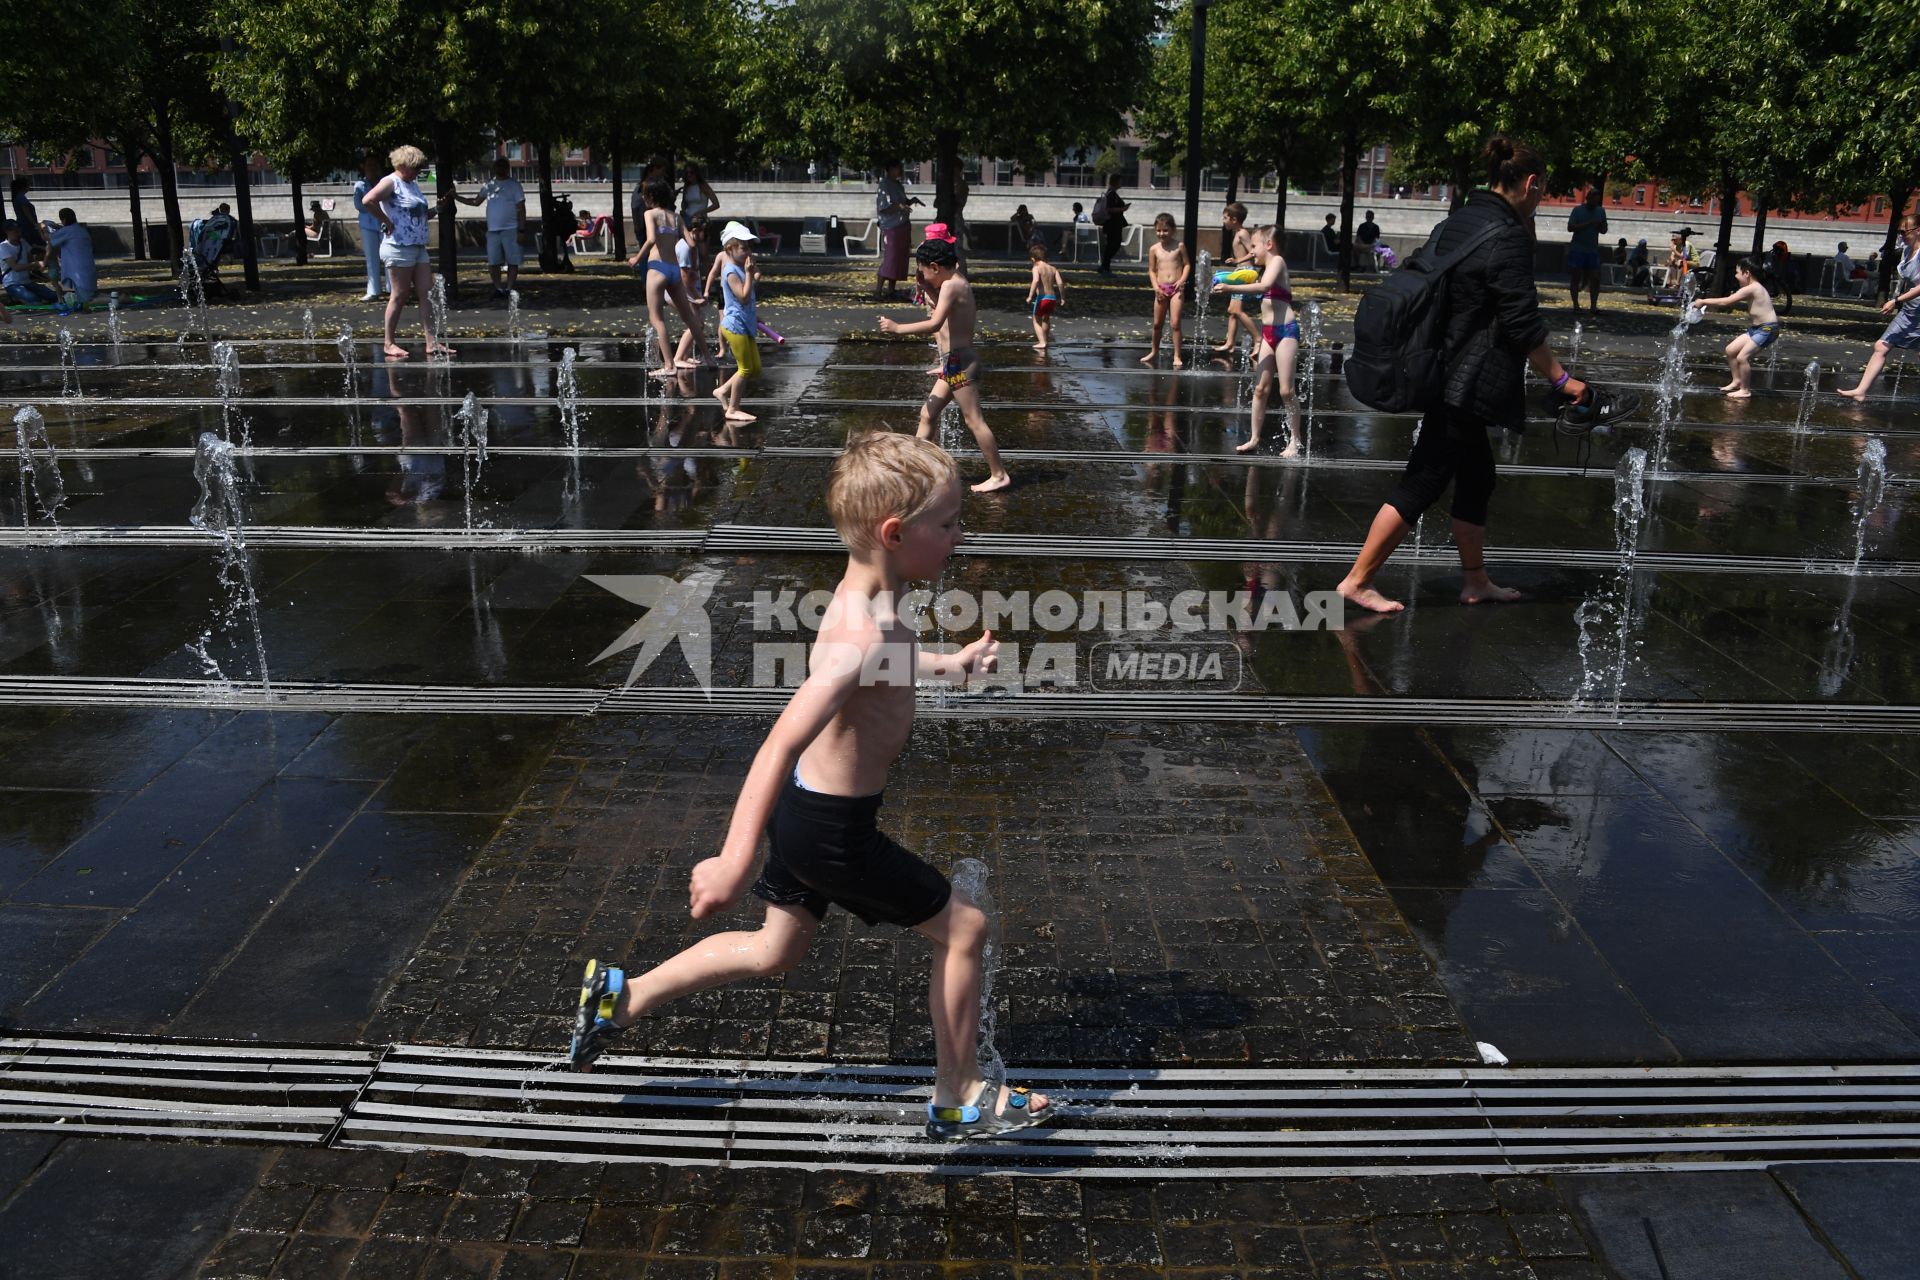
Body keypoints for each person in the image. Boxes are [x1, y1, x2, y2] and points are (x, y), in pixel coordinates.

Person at [566, 430, 1053, 1142]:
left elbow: (896, 663)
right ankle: (962, 1093)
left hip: (809, 811)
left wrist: (955, 667)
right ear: (895, 532)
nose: (960, 533)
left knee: (774, 950)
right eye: (948, 524)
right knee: (964, 930)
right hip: (831, 829)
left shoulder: (875, 603)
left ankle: (622, 996)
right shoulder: (862, 633)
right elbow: (779, 741)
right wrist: (732, 860)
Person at [1335, 135, 1623, 614]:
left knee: (1478, 476)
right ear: (1530, 183)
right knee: (1425, 479)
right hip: (1464, 380)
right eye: (1543, 190)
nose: (1542, 199)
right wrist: (1561, 380)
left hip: (1441, 366)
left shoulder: (1459, 220)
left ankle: (1475, 580)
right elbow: (1522, 320)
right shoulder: (1506, 234)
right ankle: (1357, 580)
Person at [878, 230, 1013, 493]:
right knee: (927, 413)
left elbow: (935, 323)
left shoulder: (951, 285)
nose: (923, 275)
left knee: (974, 419)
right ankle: (917, 468)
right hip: (953, 364)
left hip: (960, 365)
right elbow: (946, 319)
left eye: (923, 271)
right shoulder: (955, 280)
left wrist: (897, 328)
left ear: (935, 267)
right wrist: (926, 285)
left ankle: (999, 474)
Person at [1211, 225, 1300, 455]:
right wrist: (1237, 265)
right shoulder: (1266, 265)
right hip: (1269, 334)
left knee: (1286, 391)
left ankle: (1295, 441)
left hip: (1286, 332)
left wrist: (1230, 287)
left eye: (1254, 246)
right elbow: (1253, 269)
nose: (1252, 252)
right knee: (1260, 389)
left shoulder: (1277, 262)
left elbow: (1264, 286)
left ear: (1269, 245)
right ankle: (1254, 438)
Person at [362, 144, 454, 360]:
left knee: (428, 294)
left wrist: (437, 209)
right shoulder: (390, 181)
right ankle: (389, 343)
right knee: (400, 294)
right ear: (402, 164)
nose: (417, 173)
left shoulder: (411, 185)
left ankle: (432, 342)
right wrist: (385, 221)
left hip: (417, 247)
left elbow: (416, 217)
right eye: (414, 168)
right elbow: (368, 201)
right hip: (398, 247)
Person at [629, 176, 712, 378]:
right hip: (674, 269)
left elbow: (650, 240)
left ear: (650, 196)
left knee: (656, 319)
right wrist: (692, 268)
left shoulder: (650, 214)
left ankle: (669, 365)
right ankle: (710, 358)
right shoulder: (676, 217)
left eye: (644, 194)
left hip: (657, 268)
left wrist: (637, 259)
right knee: (689, 318)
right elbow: (692, 244)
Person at [1839, 211, 1920, 401]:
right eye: (1899, 232)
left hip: (1915, 309)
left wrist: (1896, 300)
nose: (1901, 236)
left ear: (1918, 231)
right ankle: (1861, 391)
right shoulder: (1908, 252)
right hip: (1910, 310)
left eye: (1904, 232)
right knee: (1881, 346)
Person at [1696, 257, 1780, 400]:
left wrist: (1703, 301)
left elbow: (1726, 302)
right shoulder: (1753, 287)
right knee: (1731, 350)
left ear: (1746, 273)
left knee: (1742, 357)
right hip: (1757, 328)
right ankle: (1737, 381)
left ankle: (1745, 390)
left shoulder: (1753, 288)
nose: (1735, 276)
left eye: (1737, 273)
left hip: (1767, 329)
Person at [452, 158, 526, 298]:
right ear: (494, 168)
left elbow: (521, 208)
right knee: (493, 262)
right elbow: (475, 202)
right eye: (498, 166)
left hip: (511, 229)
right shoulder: (489, 185)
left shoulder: (514, 185)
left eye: (504, 166)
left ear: (508, 168)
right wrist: (456, 197)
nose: (501, 168)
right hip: (493, 230)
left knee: (512, 261)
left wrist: (521, 230)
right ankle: (498, 288)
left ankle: (509, 288)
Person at [711, 221, 762, 423]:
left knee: (755, 368)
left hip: (745, 322)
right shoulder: (731, 271)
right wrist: (750, 274)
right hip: (734, 325)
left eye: (749, 247)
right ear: (729, 249)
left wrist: (752, 272)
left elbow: (751, 288)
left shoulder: (741, 268)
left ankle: (723, 390)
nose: (748, 252)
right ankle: (732, 408)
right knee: (746, 369)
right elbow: (742, 296)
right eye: (743, 248)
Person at [1140, 212, 1191, 368]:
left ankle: (1177, 355)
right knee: (1157, 324)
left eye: (1165, 230)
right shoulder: (1154, 249)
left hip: (1176, 288)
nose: (1161, 234)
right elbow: (1152, 270)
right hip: (1161, 288)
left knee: (1175, 323)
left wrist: (1182, 281)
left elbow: (1187, 264)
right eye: (1159, 231)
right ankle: (1154, 351)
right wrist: (1155, 287)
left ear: (1173, 230)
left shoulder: (1179, 246)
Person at [1213, 201, 1257, 355]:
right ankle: (1230, 343)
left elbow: (1254, 252)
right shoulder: (1238, 233)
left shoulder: (1242, 233)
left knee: (1235, 310)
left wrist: (1238, 260)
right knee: (1232, 312)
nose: (1223, 220)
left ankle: (1258, 339)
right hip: (1241, 272)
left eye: (1225, 217)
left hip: (1245, 273)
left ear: (1234, 219)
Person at [875, 161, 920, 298]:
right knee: (891, 257)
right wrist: (900, 206)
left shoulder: (898, 185)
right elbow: (885, 206)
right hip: (891, 226)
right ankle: (878, 290)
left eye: (900, 168)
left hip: (903, 224)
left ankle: (891, 290)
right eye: (896, 168)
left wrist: (910, 201)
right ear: (889, 169)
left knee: (899, 258)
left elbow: (902, 202)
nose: (899, 170)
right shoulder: (884, 184)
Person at [1566, 187, 1607, 313]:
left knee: (1595, 278)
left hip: (1592, 250)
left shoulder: (1601, 211)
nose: (1595, 202)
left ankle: (1593, 306)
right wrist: (1589, 223)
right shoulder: (1577, 210)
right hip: (1577, 248)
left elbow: (1604, 230)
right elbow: (1570, 227)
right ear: (1587, 198)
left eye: (1597, 200)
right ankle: (1576, 305)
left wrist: (1601, 224)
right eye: (1593, 199)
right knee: (1576, 277)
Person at [352, 156, 388, 301]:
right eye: (369, 165)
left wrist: (373, 204)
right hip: (368, 225)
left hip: (385, 224)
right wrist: (375, 206)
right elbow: (360, 205)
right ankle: (373, 290)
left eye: (375, 165)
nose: (372, 168)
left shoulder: (384, 183)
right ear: (364, 167)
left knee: (388, 257)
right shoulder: (360, 185)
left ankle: (392, 288)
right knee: (372, 258)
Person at [45, 209, 96, 306]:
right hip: (87, 267)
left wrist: (42, 228)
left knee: (87, 300)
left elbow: (50, 239)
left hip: (78, 270)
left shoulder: (67, 231)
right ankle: (114, 298)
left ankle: (117, 298)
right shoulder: (81, 229)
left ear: (63, 219)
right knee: (89, 294)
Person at [1, 221, 56, 304]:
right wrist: (35, 264)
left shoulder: (23, 242)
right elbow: (16, 267)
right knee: (33, 299)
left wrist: (43, 261)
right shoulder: (3, 247)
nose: (19, 233)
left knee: (53, 296)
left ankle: (21, 297)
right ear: (7, 232)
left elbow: (31, 260)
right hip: (12, 283)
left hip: (27, 281)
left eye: (19, 231)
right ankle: (15, 297)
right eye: (15, 231)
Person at [681, 163, 720, 278]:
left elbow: (716, 204)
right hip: (687, 220)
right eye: (687, 173)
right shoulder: (686, 187)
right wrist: (683, 210)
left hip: (700, 221)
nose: (689, 176)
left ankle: (707, 280)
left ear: (697, 173)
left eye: (691, 173)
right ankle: (692, 280)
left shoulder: (703, 186)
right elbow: (684, 202)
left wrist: (702, 211)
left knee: (703, 253)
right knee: (688, 251)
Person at [1025, 239, 1063, 351]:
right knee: (1046, 318)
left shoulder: (1036, 268)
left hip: (1042, 298)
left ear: (1033, 259)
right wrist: (1063, 297)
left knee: (1036, 320)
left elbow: (1036, 281)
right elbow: (1060, 283)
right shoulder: (1053, 269)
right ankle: (1045, 340)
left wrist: (1030, 296)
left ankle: (1042, 342)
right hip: (1052, 298)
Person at [10, 178, 46, 273]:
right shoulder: (21, 198)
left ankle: (34, 270)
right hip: (28, 227)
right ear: (23, 187)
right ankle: (36, 269)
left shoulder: (17, 197)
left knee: (30, 248)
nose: (29, 187)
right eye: (28, 185)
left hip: (24, 225)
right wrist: (35, 224)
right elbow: (27, 213)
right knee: (39, 247)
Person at [1095, 174, 1129, 275]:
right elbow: (1109, 209)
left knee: (1112, 245)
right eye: (1120, 181)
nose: (1121, 183)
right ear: (1116, 181)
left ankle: (1105, 266)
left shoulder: (1111, 193)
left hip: (1113, 224)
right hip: (1113, 224)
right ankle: (1105, 267)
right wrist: (1123, 209)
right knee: (1114, 244)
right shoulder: (1111, 194)